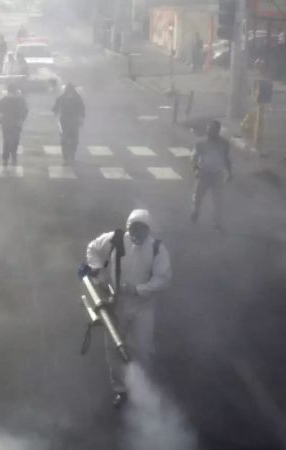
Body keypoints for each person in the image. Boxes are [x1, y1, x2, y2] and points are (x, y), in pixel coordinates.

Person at [84, 209, 172, 408]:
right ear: (128, 227)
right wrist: (98, 270)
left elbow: (163, 279)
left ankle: (144, 388)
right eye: (133, 228)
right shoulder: (115, 240)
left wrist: (138, 289)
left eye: (142, 229)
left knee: (143, 348)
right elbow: (92, 249)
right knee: (114, 348)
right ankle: (121, 390)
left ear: (148, 230)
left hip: (143, 307)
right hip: (117, 305)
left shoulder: (157, 248)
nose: (137, 233)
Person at [191, 120, 232, 229]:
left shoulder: (224, 144)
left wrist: (229, 172)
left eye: (213, 129)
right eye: (209, 128)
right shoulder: (200, 143)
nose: (210, 131)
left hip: (217, 174)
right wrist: (195, 168)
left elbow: (226, 158)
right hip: (203, 173)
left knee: (218, 200)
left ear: (218, 130)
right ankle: (196, 212)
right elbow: (194, 158)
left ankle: (217, 222)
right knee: (198, 196)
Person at [0, 85, 28, 166]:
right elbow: (25, 111)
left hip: (6, 123)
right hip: (16, 123)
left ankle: (5, 158)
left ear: (8, 91)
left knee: (6, 140)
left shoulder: (3, 100)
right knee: (15, 140)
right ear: (15, 91)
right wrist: (21, 119)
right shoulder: (20, 100)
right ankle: (13, 155)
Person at [52, 83, 85, 165]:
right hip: (64, 121)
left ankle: (72, 155)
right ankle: (66, 157)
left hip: (74, 121)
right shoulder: (62, 98)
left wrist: (81, 117)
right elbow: (55, 108)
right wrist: (56, 112)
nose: (69, 92)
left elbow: (82, 109)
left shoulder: (77, 98)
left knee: (74, 140)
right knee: (64, 140)